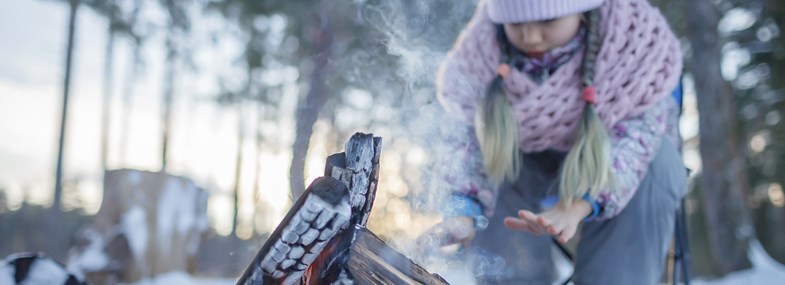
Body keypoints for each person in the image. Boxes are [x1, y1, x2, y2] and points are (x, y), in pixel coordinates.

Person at [417, 0, 687, 284]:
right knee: (499, 157)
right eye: (517, 24)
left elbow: (637, 142)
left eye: (548, 22)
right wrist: (462, 211)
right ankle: (512, 278)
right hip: (524, 180)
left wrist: (579, 205)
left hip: (615, 174)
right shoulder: (479, 56)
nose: (531, 37)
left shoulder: (636, 46)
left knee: (659, 160)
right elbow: (466, 144)